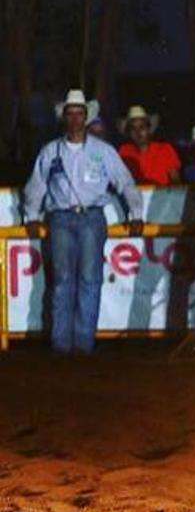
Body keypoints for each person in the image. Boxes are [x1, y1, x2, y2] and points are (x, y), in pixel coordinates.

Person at [22, 89, 144, 355]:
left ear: (86, 117)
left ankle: (83, 345)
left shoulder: (103, 151)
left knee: (90, 279)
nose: (75, 119)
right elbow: (37, 185)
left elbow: (124, 181)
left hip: (92, 217)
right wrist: (31, 215)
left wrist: (136, 213)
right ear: (64, 117)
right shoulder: (51, 152)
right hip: (61, 218)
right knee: (63, 280)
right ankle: (62, 345)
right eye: (71, 113)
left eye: (80, 113)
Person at [117, 105, 181, 185]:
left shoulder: (165, 149)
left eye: (142, 127)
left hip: (161, 195)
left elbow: (176, 181)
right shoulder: (124, 151)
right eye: (133, 128)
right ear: (129, 132)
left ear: (149, 129)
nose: (138, 132)